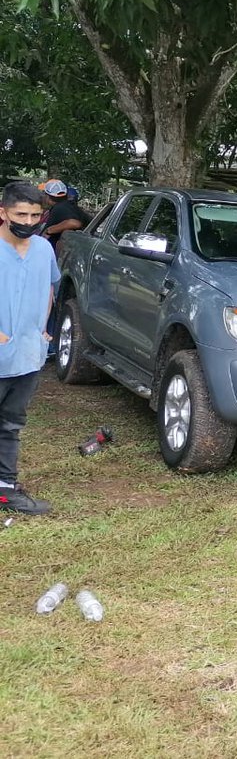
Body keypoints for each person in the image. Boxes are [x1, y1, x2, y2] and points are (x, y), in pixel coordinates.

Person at [0, 182, 60, 515]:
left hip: (28, 356)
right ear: (3, 213)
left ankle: (6, 490)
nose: (28, 220)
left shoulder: (43, 249)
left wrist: (42, 330)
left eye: (35, 214)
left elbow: (49, 288)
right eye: (21, 213)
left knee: (10, 425)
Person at [38, 179, 88, 252]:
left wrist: (50, 230)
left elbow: (75, 223)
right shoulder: (67, 206)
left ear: (48, 197)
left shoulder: (60, 208)